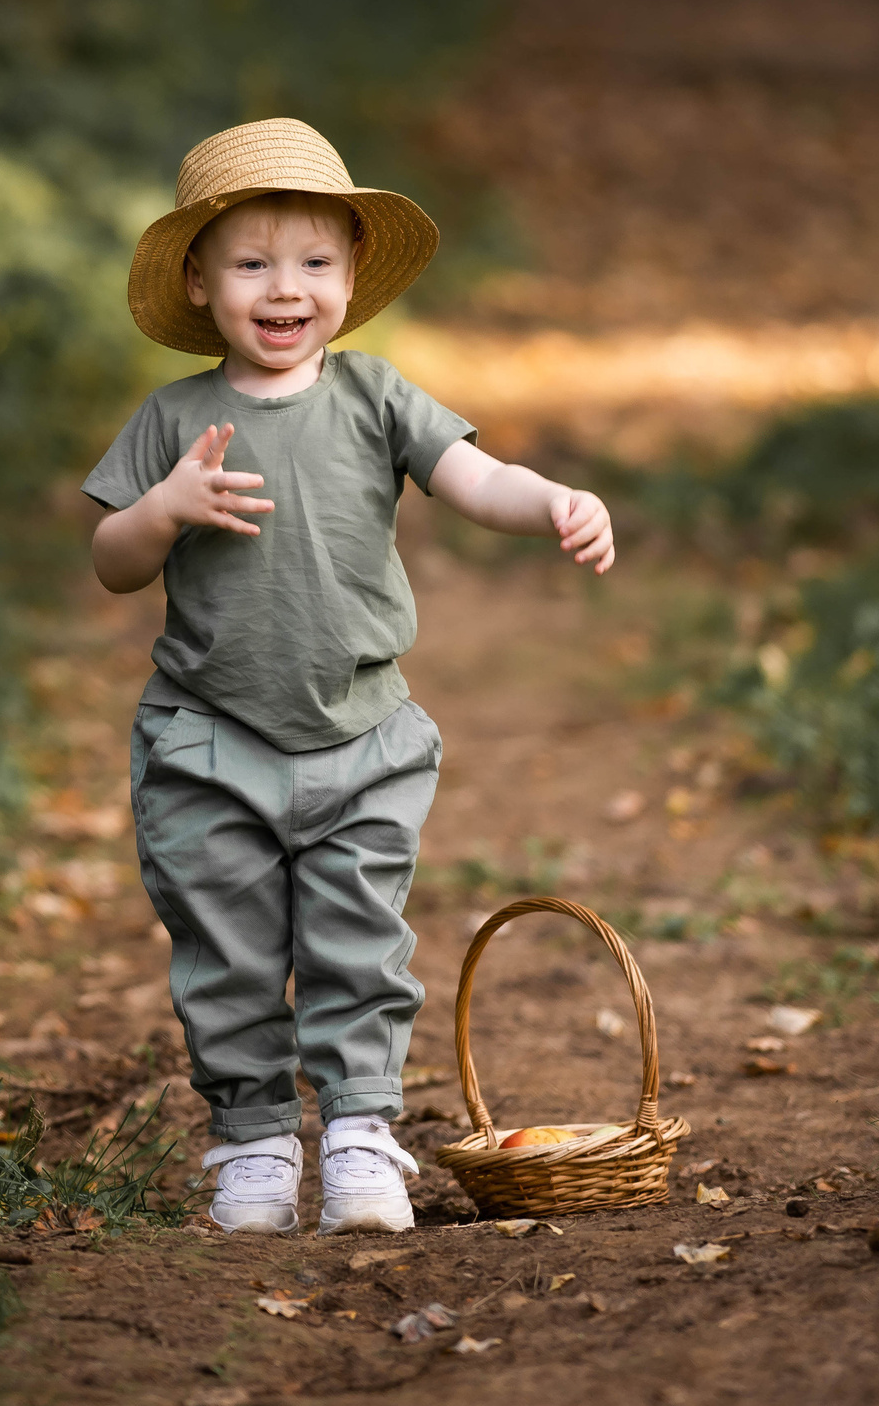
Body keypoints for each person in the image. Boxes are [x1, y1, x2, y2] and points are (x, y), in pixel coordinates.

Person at [84, 119, 615, 1234]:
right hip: (207, 736)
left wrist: (554, 502)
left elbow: (476, 478)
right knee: (224, 948)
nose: (287, 289)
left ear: (351, 276)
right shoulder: (176, 420)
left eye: (314, 262)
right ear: (198, 279)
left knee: (356, 941)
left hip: (360, 733)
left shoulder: (375, 397)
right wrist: (162, 511)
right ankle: (254, 1143)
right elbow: (112, 563)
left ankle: (364, 1133)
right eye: (251, 263)